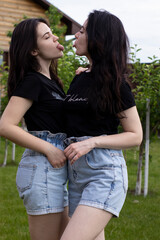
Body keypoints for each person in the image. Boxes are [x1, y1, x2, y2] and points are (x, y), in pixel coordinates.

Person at [60, 10, 143, 240]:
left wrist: (91, 142)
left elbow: (135, 135)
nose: (76, 35)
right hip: (76, 175)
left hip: (103, 173)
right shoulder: (79, 78)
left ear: (98, 38)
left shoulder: (116, 84)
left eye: (83, 30)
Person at [0, 18, 69, 240]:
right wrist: (49, 149)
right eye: (47, 36)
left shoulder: (53, 82)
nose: (56, 37)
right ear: (32, 51)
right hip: (42, 167)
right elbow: (6, 125)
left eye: (53, 34)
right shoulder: (32, 81)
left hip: (54, 171)